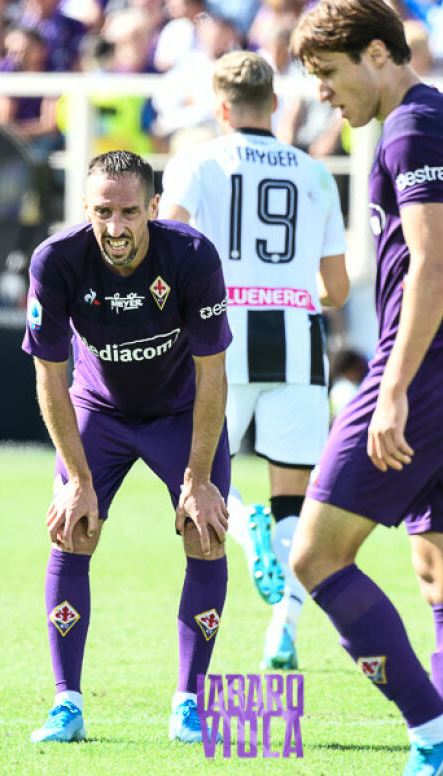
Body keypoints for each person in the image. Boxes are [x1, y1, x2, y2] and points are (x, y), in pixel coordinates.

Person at [290, 2, 443, 773]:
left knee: (314, 558)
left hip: (430, 360)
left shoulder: (412, 125)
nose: (320, 92)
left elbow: (433, 262)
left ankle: (436, 732)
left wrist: (390, 389)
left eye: (327, 73)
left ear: (378, 53)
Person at [23, 151, 232, 745]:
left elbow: (213, 372)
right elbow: (49, 377)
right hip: (98, 411)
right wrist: (78, 481)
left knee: (207, 530)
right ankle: (66, 703)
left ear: (155, 209)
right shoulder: (56, 260)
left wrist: (198, 478)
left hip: (180, 410)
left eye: (130, 212)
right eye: (103, 212)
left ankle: (189, 702)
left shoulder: (191, 256)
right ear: (84, 208)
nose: (116, 228)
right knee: (73, 526)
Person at [160, 50, 349, 671]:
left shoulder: (195, 164)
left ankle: (244, 529)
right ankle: (283, 634)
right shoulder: (314, 173)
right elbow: (337, 289)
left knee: (197, 478)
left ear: (221, 109)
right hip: (296, 341)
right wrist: (288, 287)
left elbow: (164, 249)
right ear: (276, 105)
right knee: (296, 502)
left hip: (220, 341)